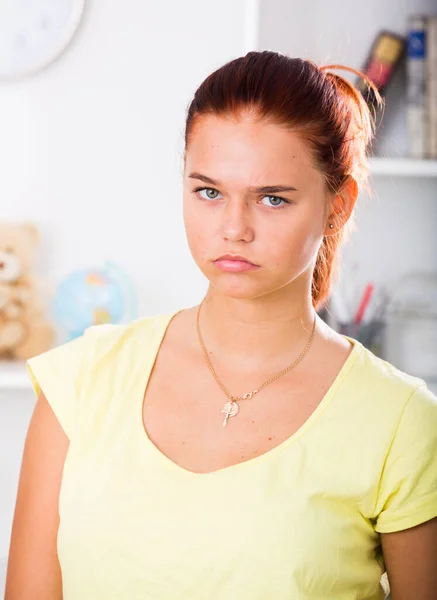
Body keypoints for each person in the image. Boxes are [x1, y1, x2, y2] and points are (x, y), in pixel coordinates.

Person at [5, 51, 437, 600]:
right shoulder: (81, 383)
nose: (234, 229)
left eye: (272, 199)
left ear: (338, 205)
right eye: (208, 192)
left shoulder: (402, 423)